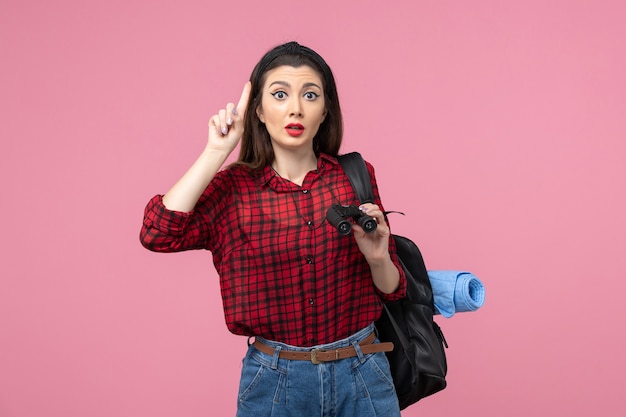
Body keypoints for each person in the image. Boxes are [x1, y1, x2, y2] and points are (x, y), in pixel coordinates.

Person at [140, 41, 407, 416]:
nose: (295, 107)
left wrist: (379, 257)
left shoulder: (355, 176)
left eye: (309, 95)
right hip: (275, 382)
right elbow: (157, 233)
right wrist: (217, 152)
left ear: (325, 109)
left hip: (362, 372)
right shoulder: (232, 190)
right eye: (280, 94)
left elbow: (394, 291)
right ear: (259, 110)